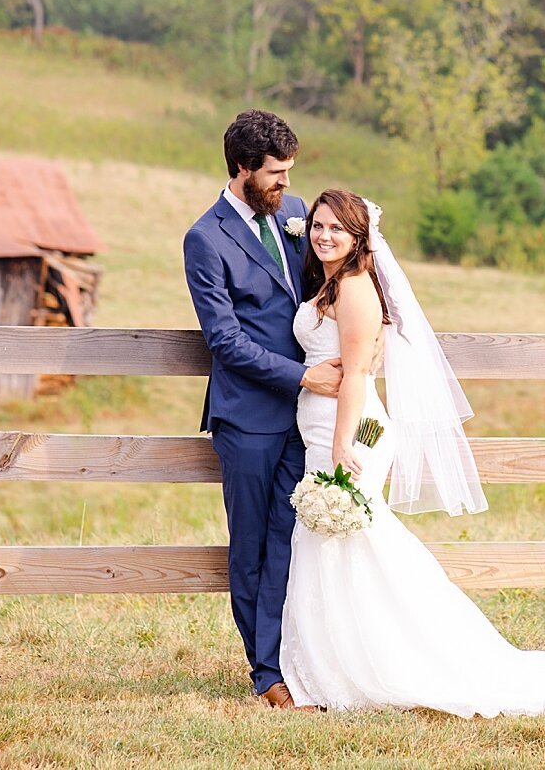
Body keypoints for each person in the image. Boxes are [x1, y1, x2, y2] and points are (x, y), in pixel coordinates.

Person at [279, 188, 545, 717]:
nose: (323, 235)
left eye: (336, 228)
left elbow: (359, 374)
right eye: (317, 225)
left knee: (350, 537)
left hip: (351, 430)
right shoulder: (332, 285)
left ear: (359, 237)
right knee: (336, 541)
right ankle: (334, 662)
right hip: (327, 426)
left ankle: (386, 660)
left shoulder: (357, 289)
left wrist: (344, 443)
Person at [182, 110, 343, 710]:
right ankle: (266, 675)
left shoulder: (296, 214)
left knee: (291, 539)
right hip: (248, 417)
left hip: (308, 418)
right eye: (275, 174)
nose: (285, 183)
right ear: (243, 169)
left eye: (289, 172)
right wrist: (303, 375)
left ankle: (299, 660)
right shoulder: (205, 239)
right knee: (249, 547)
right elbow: (224, 341)